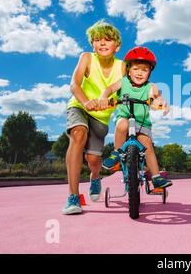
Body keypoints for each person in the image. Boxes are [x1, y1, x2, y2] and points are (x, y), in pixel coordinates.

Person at [62, 20, 126, 215]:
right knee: (78, 134)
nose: (102, 43)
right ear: (93, 45)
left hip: (101, 118)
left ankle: (95, 176)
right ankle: (73, 196)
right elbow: (74, 85)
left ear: (117, 46)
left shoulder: (123, 66)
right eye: (97, 40)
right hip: (79, 106)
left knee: (93, 159)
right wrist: (86, 102)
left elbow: (125, 95)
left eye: (107, 39)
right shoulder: (87, 58)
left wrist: (111, 103)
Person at [100, 46, 173, 189]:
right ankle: (116, 153)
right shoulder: (123, 82)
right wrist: (103, 98)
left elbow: (156, 97)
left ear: (149, 72)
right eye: (136, 69)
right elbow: (109, 89)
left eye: (144, 70)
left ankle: (156, 177)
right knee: (122, 125)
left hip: (142, 122)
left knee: (147, 145)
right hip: (125, 117)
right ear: (128, 69)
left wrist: (162, 103)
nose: (140, 73)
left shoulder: (150, 86)